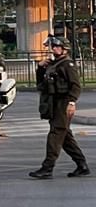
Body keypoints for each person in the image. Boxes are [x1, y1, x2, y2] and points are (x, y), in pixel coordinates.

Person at [30, 37, 87, 179]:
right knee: (65, 137)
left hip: (64, 103)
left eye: (57, 46)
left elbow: (76, 86)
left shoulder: (68, 65)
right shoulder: (52, 64)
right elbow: (41, 84)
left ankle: (47, 168)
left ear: (64, 49)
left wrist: (72, 102)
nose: (54, 48)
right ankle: (82, 165)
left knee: (55, 134)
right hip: (53, 103)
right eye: (53, 46)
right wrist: (40, 67)